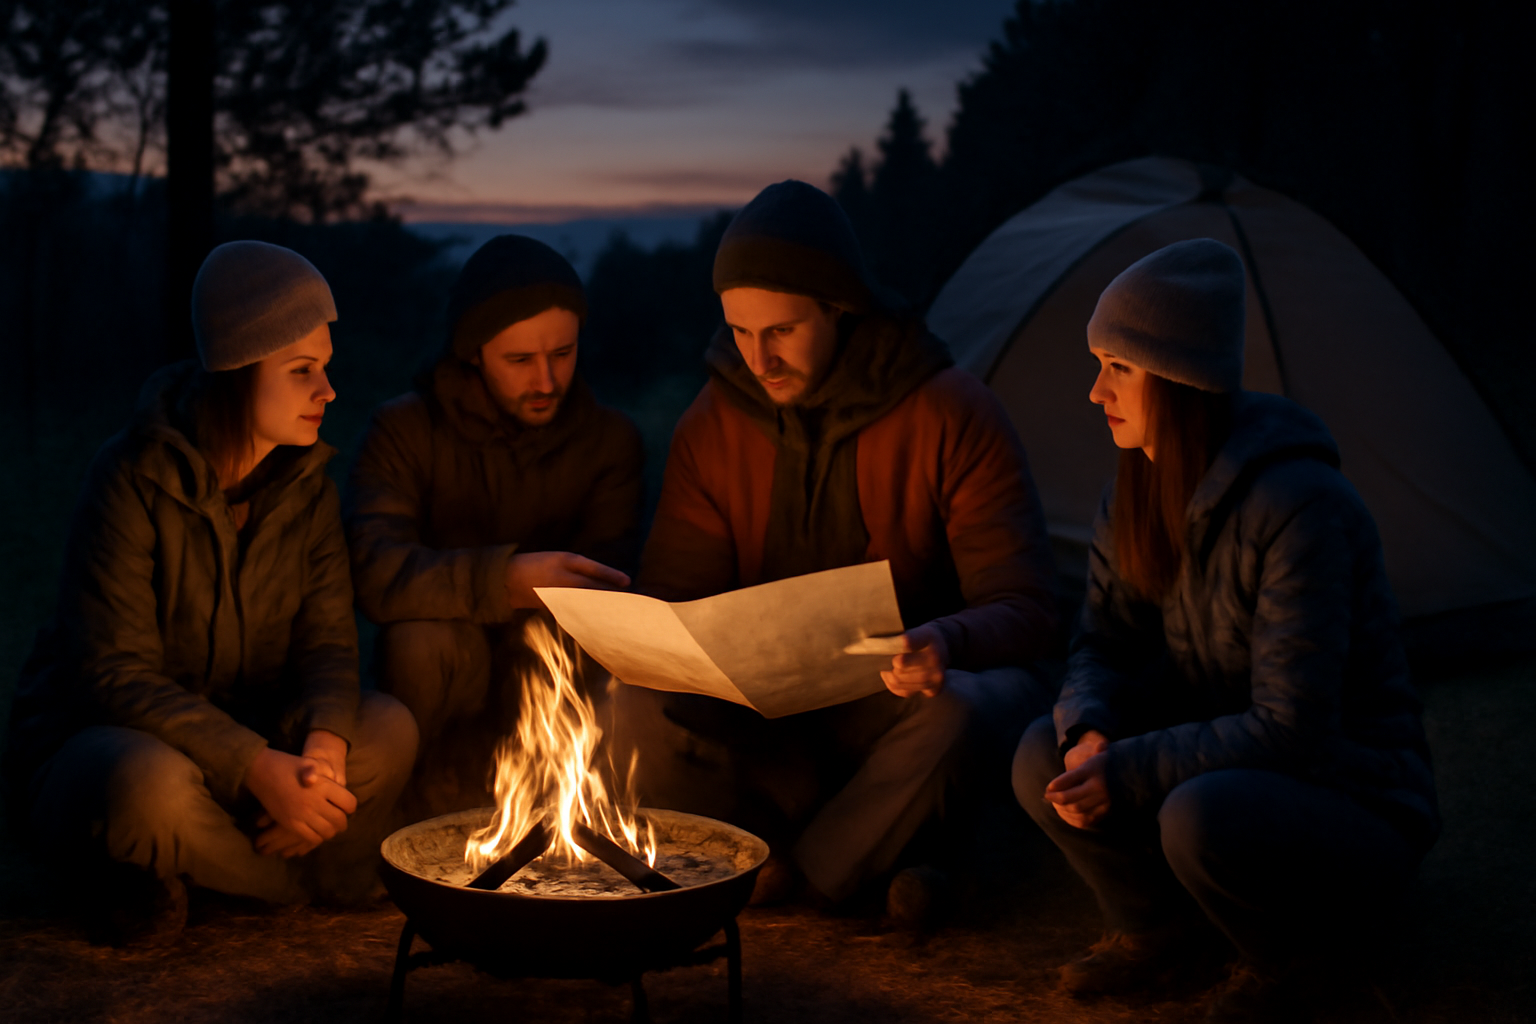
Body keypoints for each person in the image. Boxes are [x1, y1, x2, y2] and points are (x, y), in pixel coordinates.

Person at [1012, 239, 1439, 1021]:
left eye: (1119, 367)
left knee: (1196, 812)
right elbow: (1102, 643)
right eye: (1099, 363)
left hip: (1351, 794)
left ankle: (1291, 964)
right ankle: (1159, 934)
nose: (1095, 390)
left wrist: (1133, 768)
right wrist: (1092, 730)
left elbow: (1292, 729)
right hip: (1221, 759)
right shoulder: (1136, 489)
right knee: (1043, 750)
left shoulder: (1299, 507)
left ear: (1179, 379)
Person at [623, 180, 1061, 923]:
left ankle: (814, 870)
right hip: (767, 725)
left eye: (782, 331)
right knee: (630, 704)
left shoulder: (947, 410)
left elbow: (1029, 609)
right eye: (739, 332)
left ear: (838, 307)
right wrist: (668, 642)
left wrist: (943, 640)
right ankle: (823, 858)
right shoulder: (714, 422)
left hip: (896, 706)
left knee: (960, 714)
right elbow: (675, 595)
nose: (758, 358)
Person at [4, 241, 419, 944]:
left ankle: (197, 870)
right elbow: (111, 674)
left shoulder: (305, 486)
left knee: (384, 729)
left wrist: (321, 747)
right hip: (118, 745)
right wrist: (255, 767)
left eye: (325, 368)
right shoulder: (130, 478)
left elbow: (327, 643)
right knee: (148, 788)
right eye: (301, 372)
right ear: (235, 376)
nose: (328, 391)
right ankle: (298, 886)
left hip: (253, 737)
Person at [345, 235, 642, 820]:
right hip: (438, 683)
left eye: (563, 353)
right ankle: (409, 817)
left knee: (578, 644)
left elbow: (618, 586)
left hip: (551, 686)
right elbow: (372, 569)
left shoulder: (609, 443)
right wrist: (502, 582)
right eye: (520, 361)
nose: (547, 381)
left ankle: (554, 808)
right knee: (423, 637)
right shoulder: (404, 431)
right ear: (474, 353)